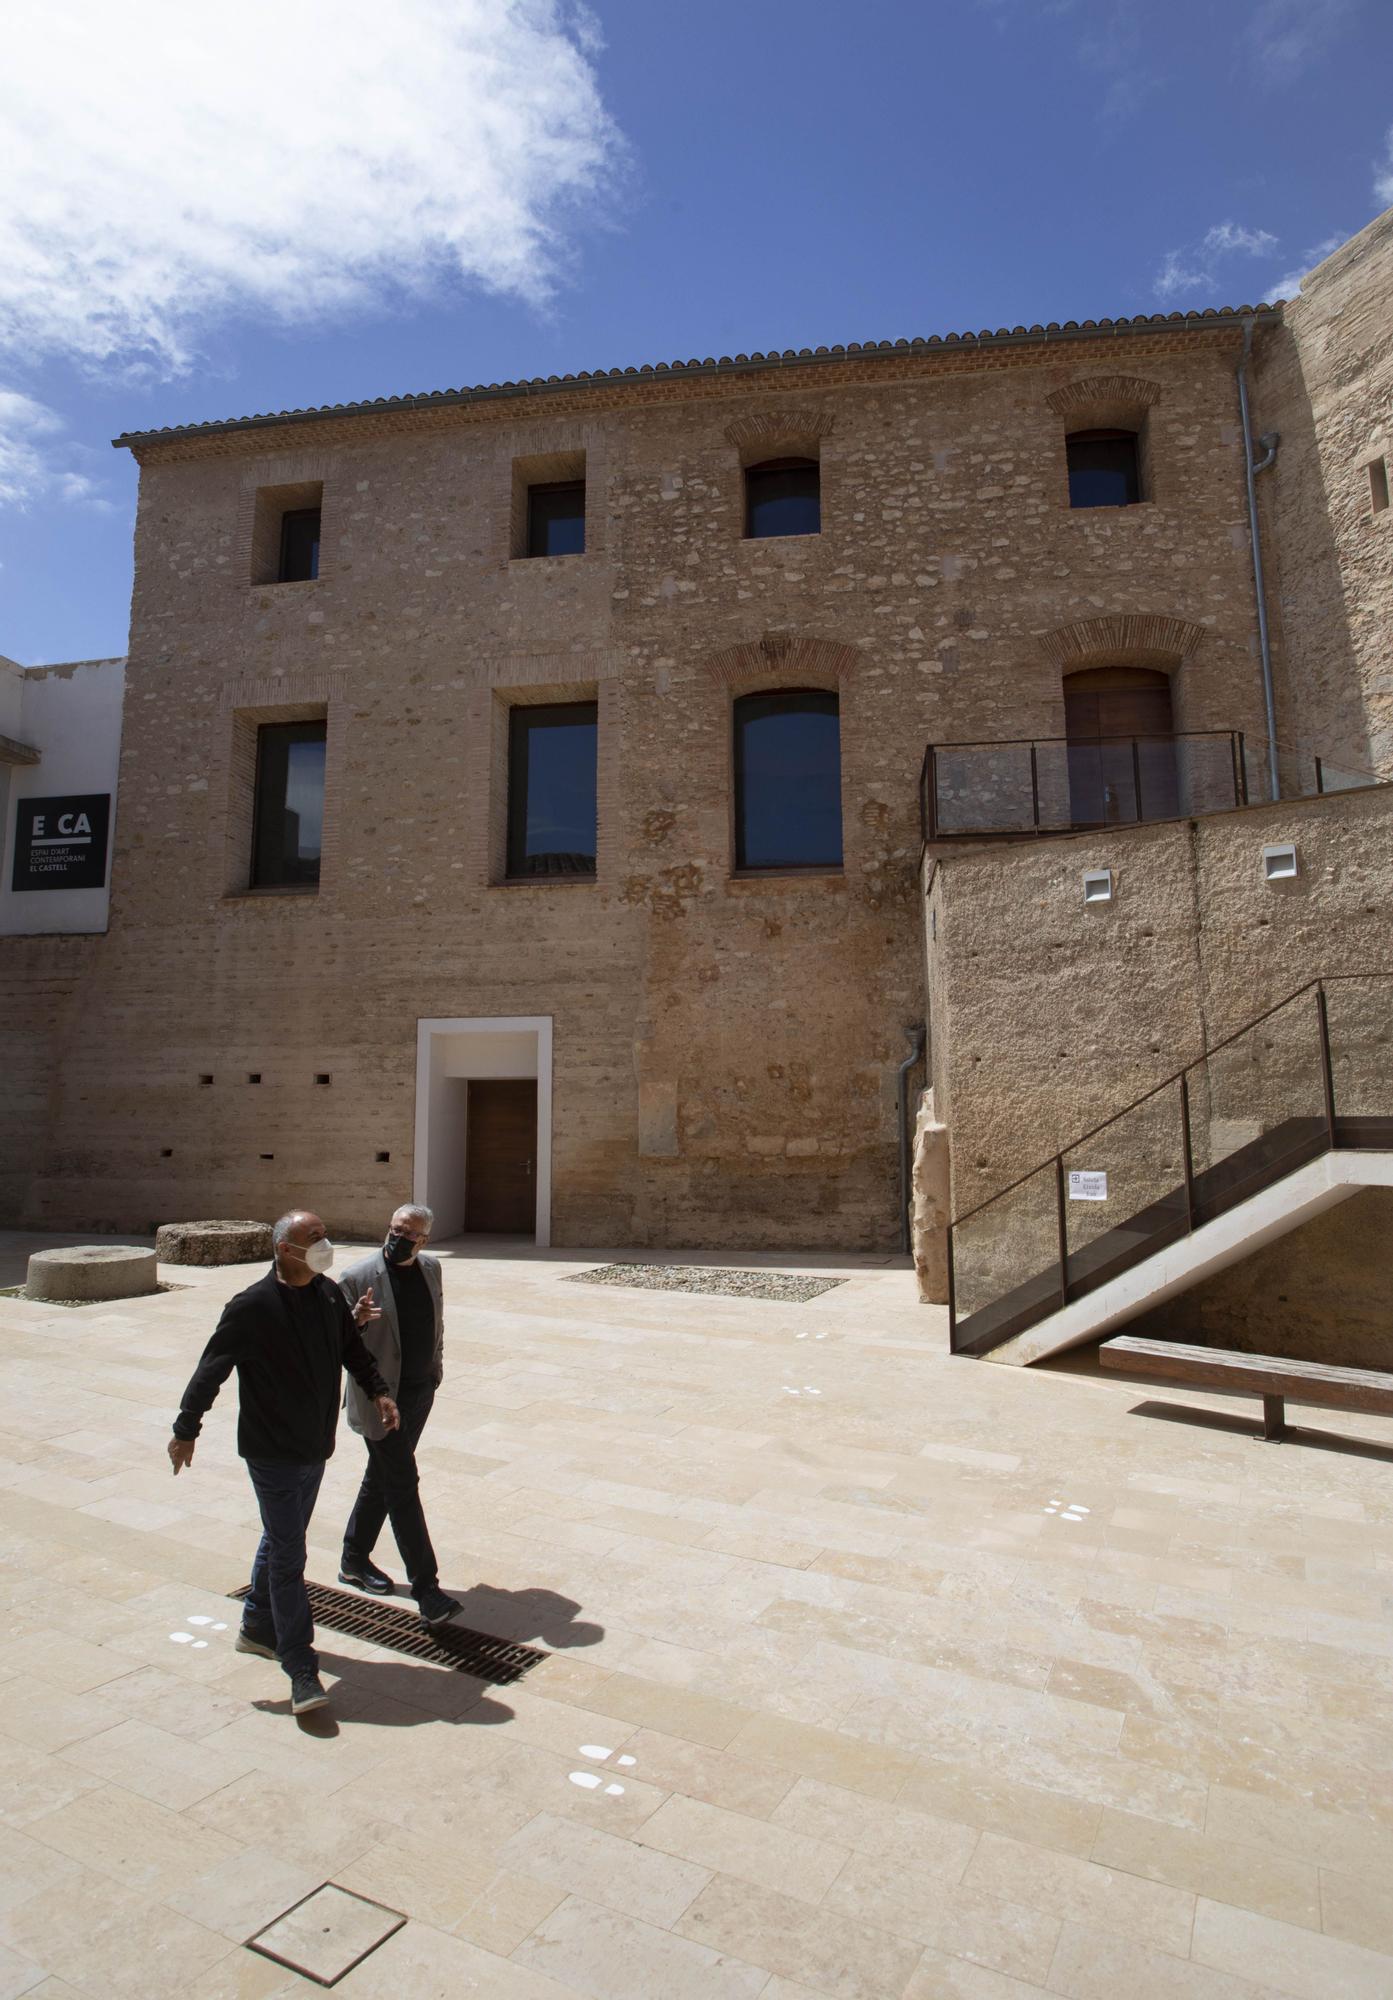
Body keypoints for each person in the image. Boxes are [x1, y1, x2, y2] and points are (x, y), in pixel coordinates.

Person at [167, 1209, 399, 1716]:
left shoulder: (327, 1295)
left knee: (280, 1537)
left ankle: (255, 1626)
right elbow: (211, 1371)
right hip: (271, 1451)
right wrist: (187, 1428)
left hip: (315, 1446)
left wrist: (379, 1391)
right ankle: (299, 1664)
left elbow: (350, 1351)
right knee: (291, 1553)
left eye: (323, 1235)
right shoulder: (250, 1306)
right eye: (312, 1238)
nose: (324, 1243)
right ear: (284, 1250)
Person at [336, 1203, 461, 1626]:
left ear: (423, 1240)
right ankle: (427, 1589)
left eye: (408, 1233)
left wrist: (436, 1369)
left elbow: (437, 1322)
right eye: (394, 1229)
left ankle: (353, 1558)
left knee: (384, 1476)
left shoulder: (430, 1269)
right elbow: (335, 1343)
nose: (397, 1238)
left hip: (419, 1392)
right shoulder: (356, 1278)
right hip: (380, 1400)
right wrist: (354, 1322)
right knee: (402, 1482)